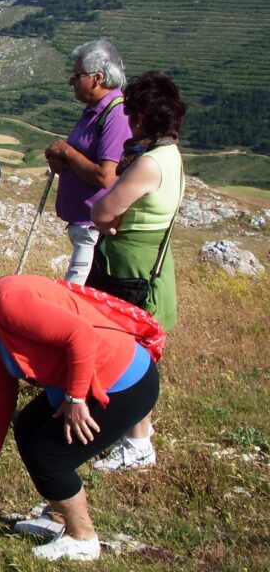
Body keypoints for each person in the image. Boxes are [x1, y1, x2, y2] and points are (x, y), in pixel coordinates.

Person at [0, 246, 160, 562]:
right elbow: (1, 397)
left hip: (124, 383)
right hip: (99, 378)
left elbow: (80, 335)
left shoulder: (7, 300)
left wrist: (75, 398)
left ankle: (83, 538)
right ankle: (58, 517)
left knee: (48, 457)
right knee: (27, 427)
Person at [89, 71, 186, 472]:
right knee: (133, 353)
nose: (127, 119)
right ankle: (131, 432)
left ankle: (137, 443)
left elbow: (102, 211)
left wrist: (107, 219)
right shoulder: (171, 155)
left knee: (125, 354)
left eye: (130, 112)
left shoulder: (147, 163)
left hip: (126, 270)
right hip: (149, 264)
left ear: (144, 116)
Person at [45, 39, 131, 284]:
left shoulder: (116, 114)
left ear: (98, 78)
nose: (71, 81)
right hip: (85, 225)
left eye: (77, 75)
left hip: (93, 228)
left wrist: (67, 151)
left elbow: (106, 176)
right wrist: (60, 158)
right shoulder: (96, 110)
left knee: (76, 290)